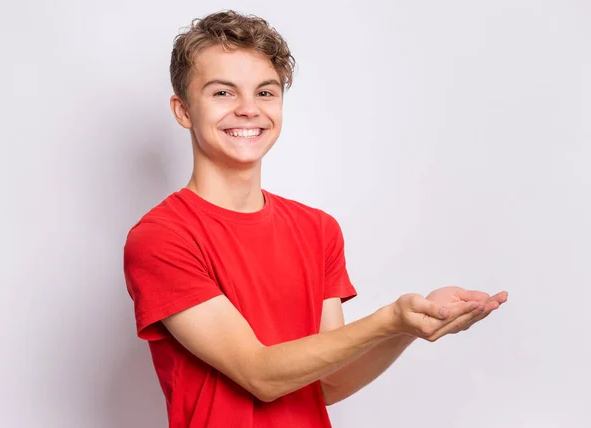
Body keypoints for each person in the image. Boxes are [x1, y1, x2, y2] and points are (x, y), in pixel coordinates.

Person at [123, 9, 508, 428]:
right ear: (183, 111)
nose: (249, 109)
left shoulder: (317, 230)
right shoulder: (162, 238)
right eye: (223, 93)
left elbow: (328, 384)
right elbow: (260, 374)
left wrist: (408, 327)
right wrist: (387, 319)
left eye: (265, 93)